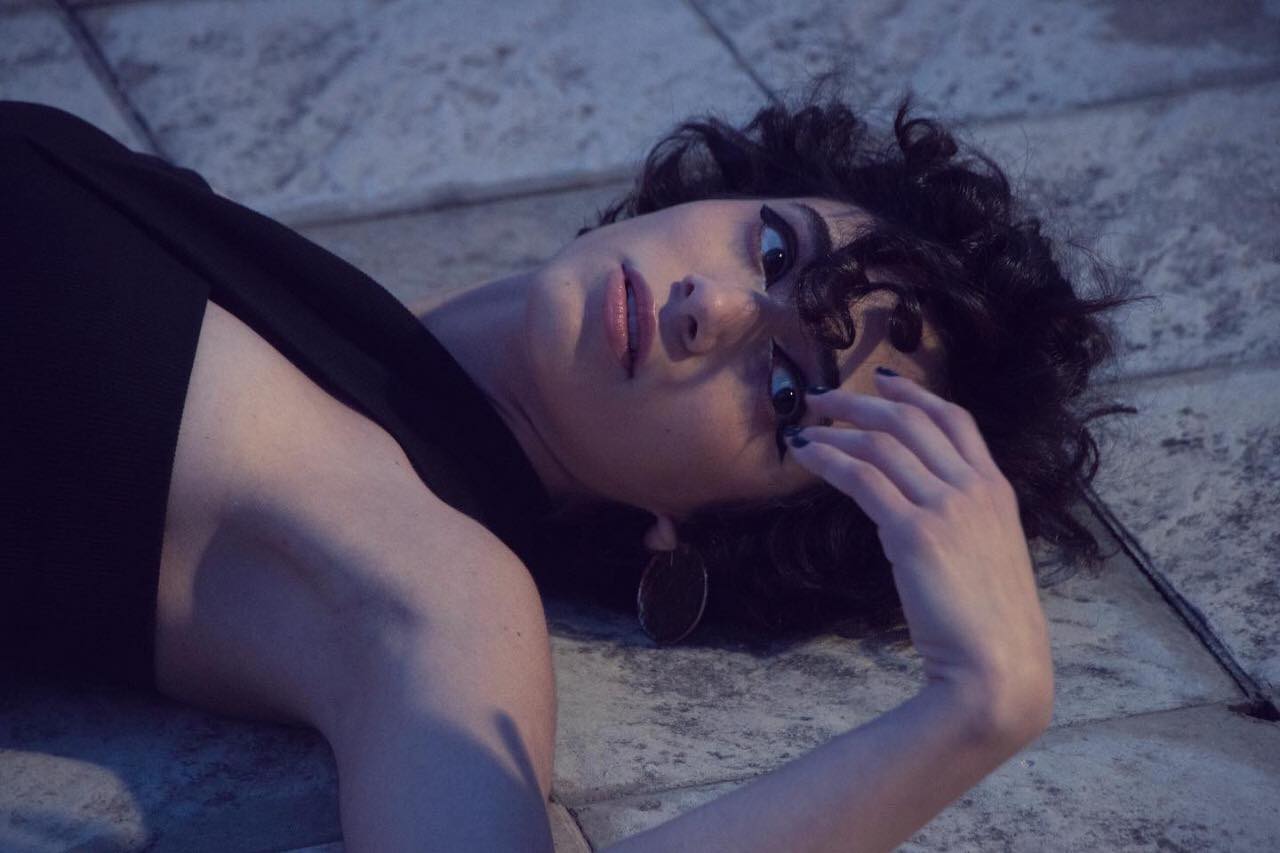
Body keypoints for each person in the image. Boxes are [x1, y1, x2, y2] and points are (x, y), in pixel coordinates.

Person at [0, 88, 1137, 851]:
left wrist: (974, 710)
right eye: (772, 248)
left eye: (787, 389)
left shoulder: (442, 584)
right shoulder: (319, 308)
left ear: (694, 526)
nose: (712, 308)